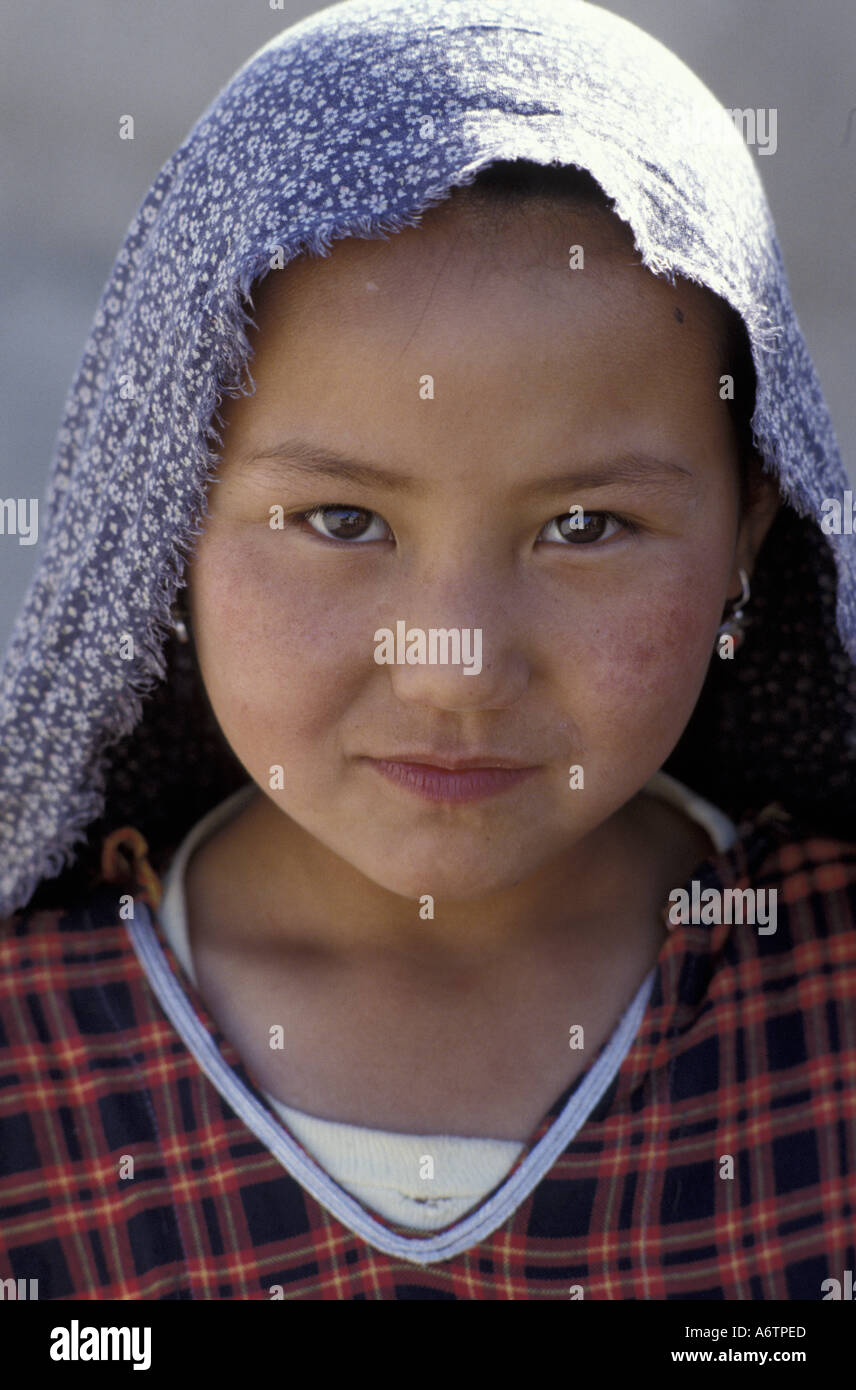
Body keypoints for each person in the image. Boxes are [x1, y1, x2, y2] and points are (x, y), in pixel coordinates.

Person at [0, 0, 854, 1300]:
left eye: (585, 525)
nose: (454, 665)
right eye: (340, 520)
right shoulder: (33, 1062)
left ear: (751, 527)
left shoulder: (832, 1012)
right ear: (163, 509)